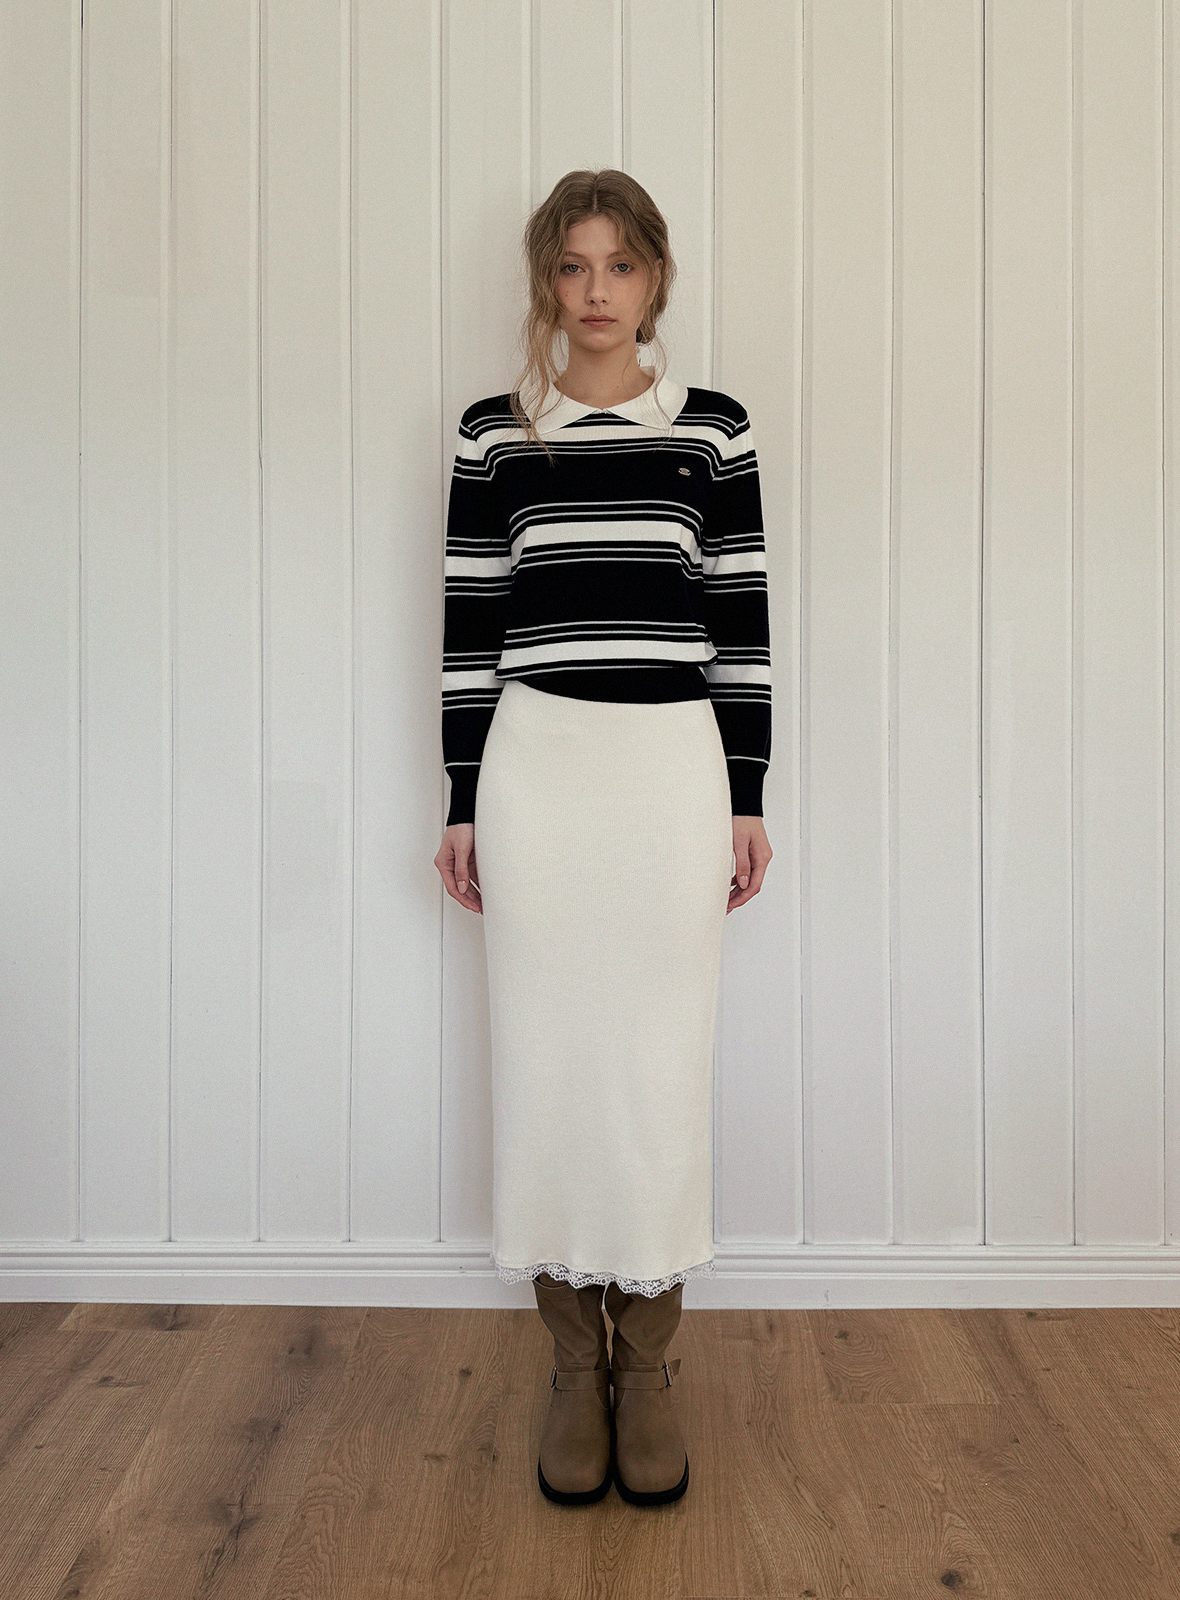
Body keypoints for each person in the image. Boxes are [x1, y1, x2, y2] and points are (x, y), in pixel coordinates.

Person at [433, 169, 773, 1507]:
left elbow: (740, 621)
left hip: (670, 773)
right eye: (571, 267)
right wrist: (463, 798)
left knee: (656, 1067)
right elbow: (470, 627)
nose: (594, 292)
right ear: (544, 282)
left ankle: (655, 1366)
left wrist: (747, 793)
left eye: (619, 265)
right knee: (551, 1065)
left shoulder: (715, 432)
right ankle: (576, 1368)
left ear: (655, 279)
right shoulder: (494, 435)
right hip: (539, 773)